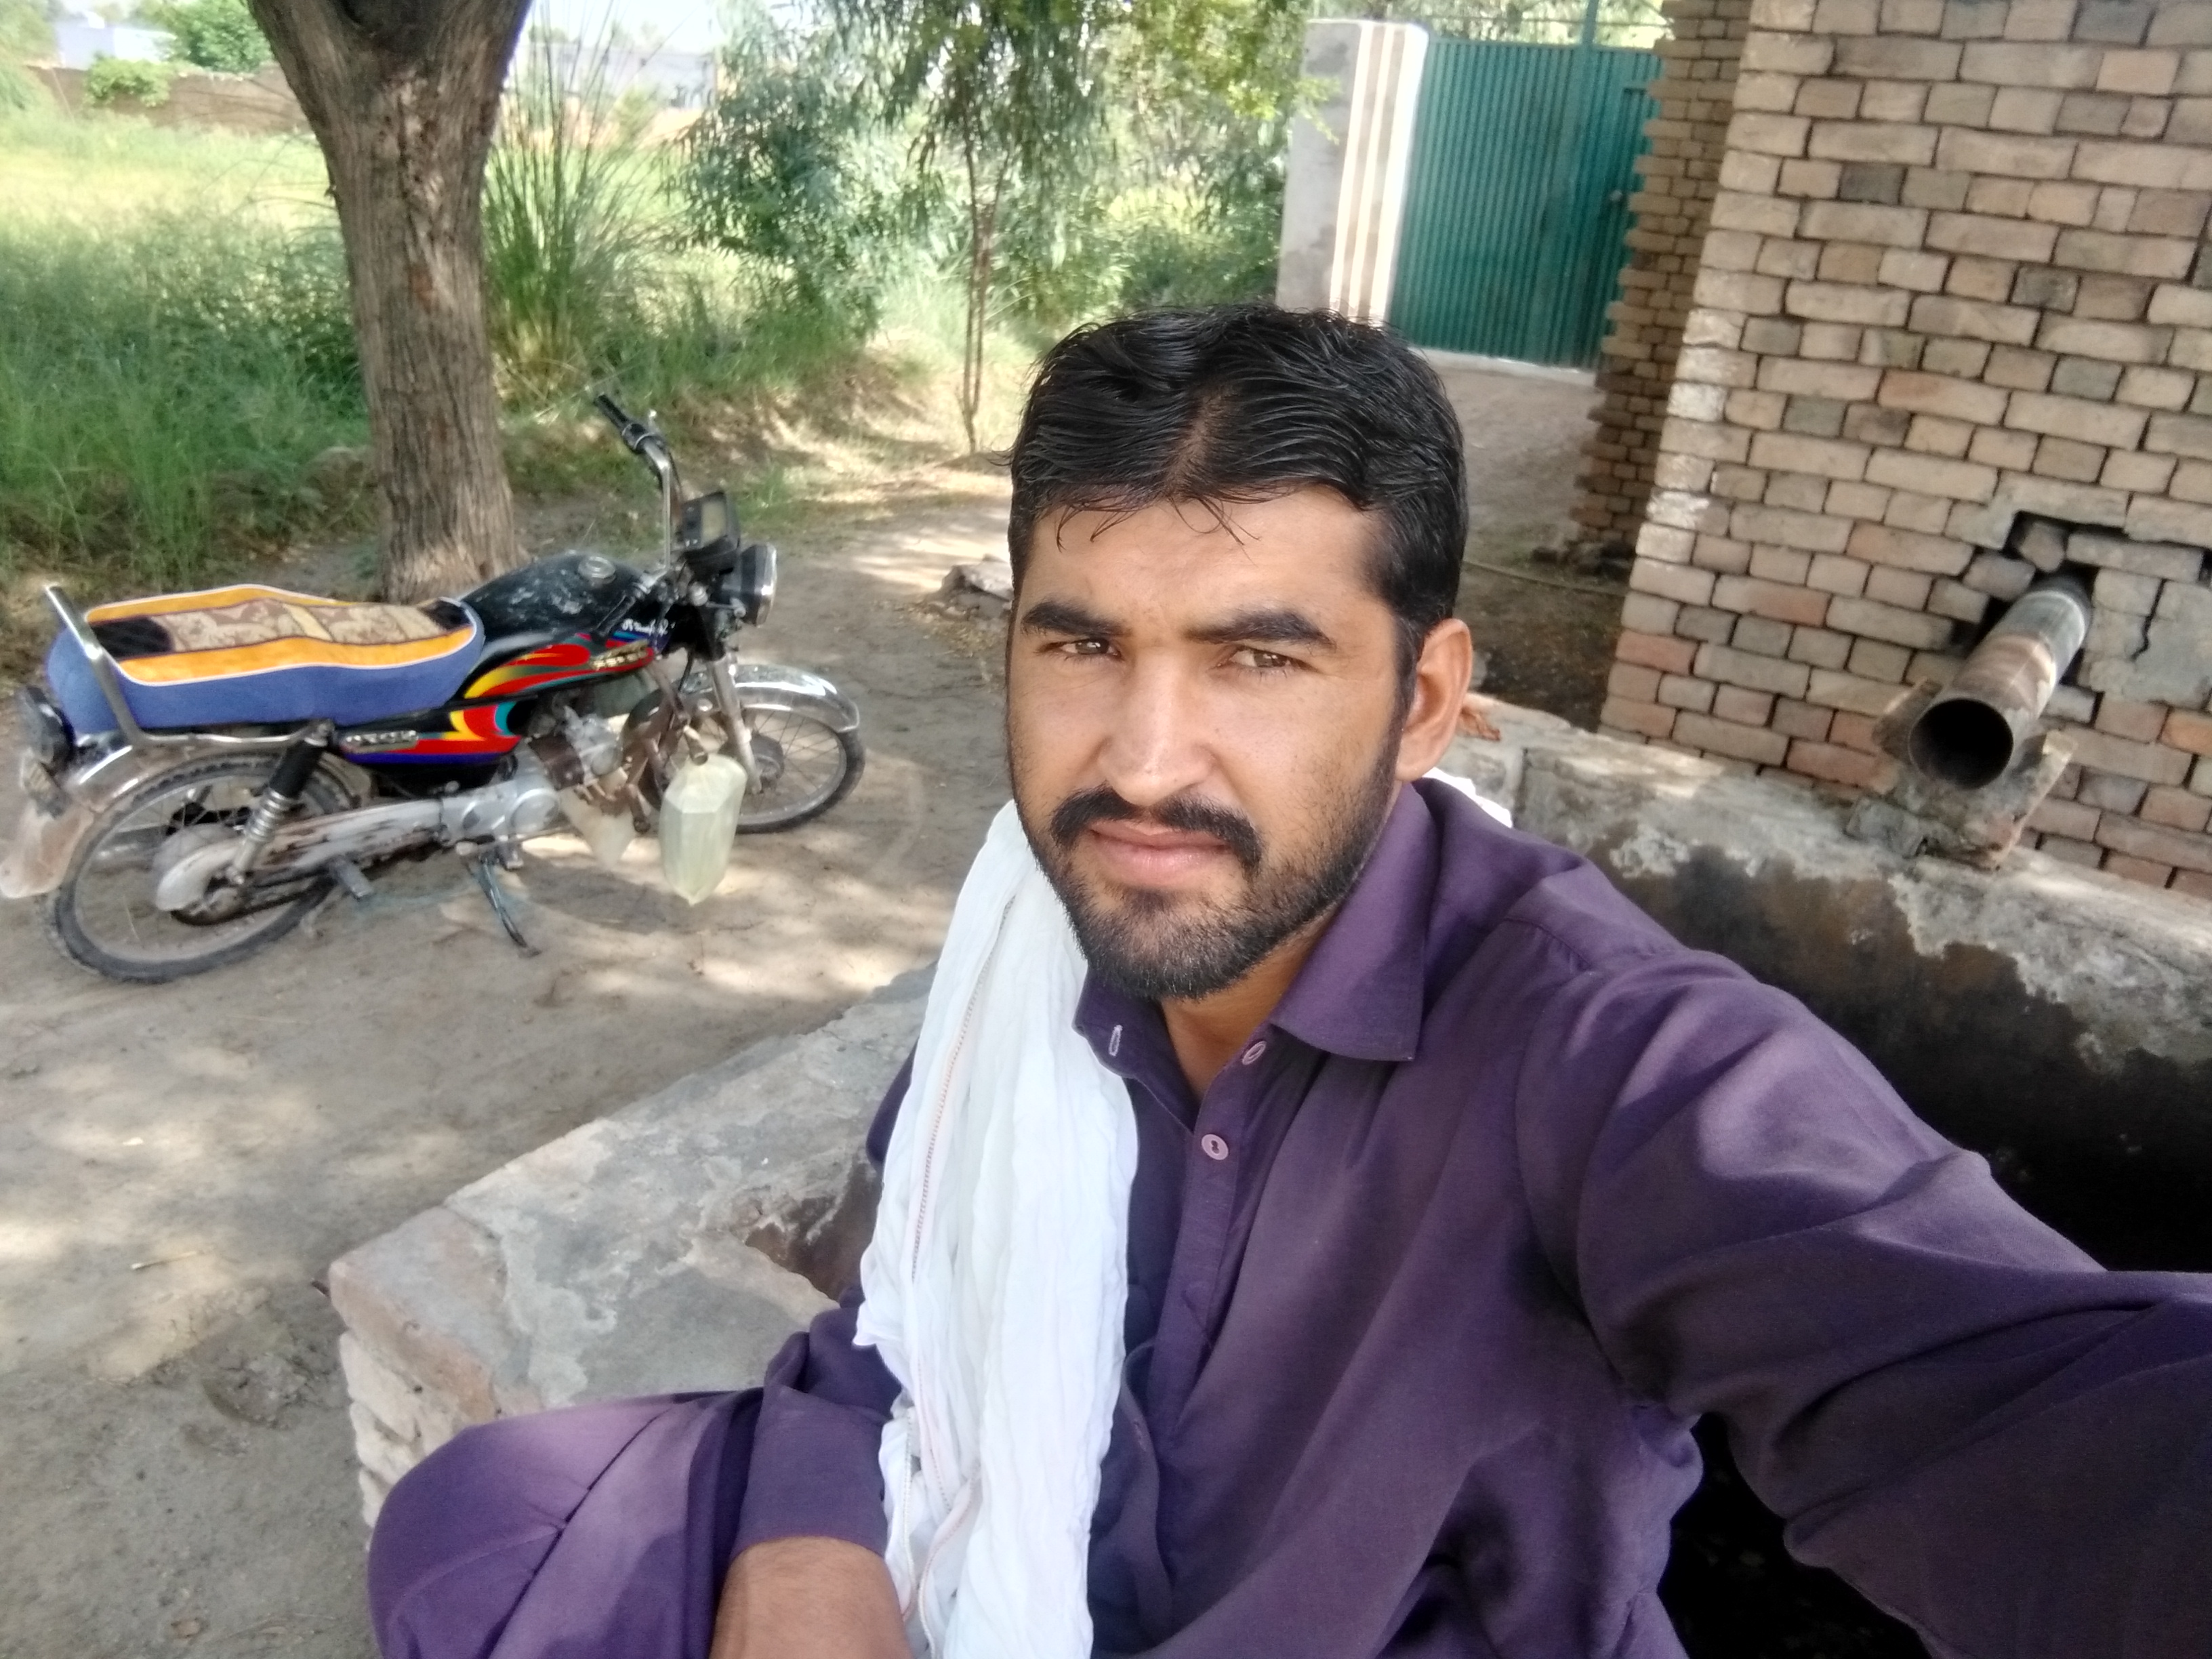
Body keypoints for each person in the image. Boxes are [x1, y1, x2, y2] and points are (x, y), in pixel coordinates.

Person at [366, 306, 2212, 1659]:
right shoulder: (1039, 933)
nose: (1141, 762)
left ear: (1423, 702)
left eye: (1258, 659)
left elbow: (2022, 1396)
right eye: (1082, 646)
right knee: (478, 1525)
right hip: (1002, 1563)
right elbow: (896, 1313)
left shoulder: (1608, 1058)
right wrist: (807, 1555)